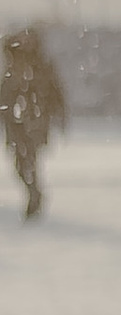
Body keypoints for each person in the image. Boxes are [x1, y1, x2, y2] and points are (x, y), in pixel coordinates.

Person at [1, 22, 68, 219]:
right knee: (20, 164)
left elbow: (56, 93)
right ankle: (34, 194)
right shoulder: (13, 66)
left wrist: (61, 116)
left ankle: (35, 197)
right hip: (16, 123)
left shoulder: (42, 66)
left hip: (35, 121)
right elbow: (4, 95)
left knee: (28, 160)